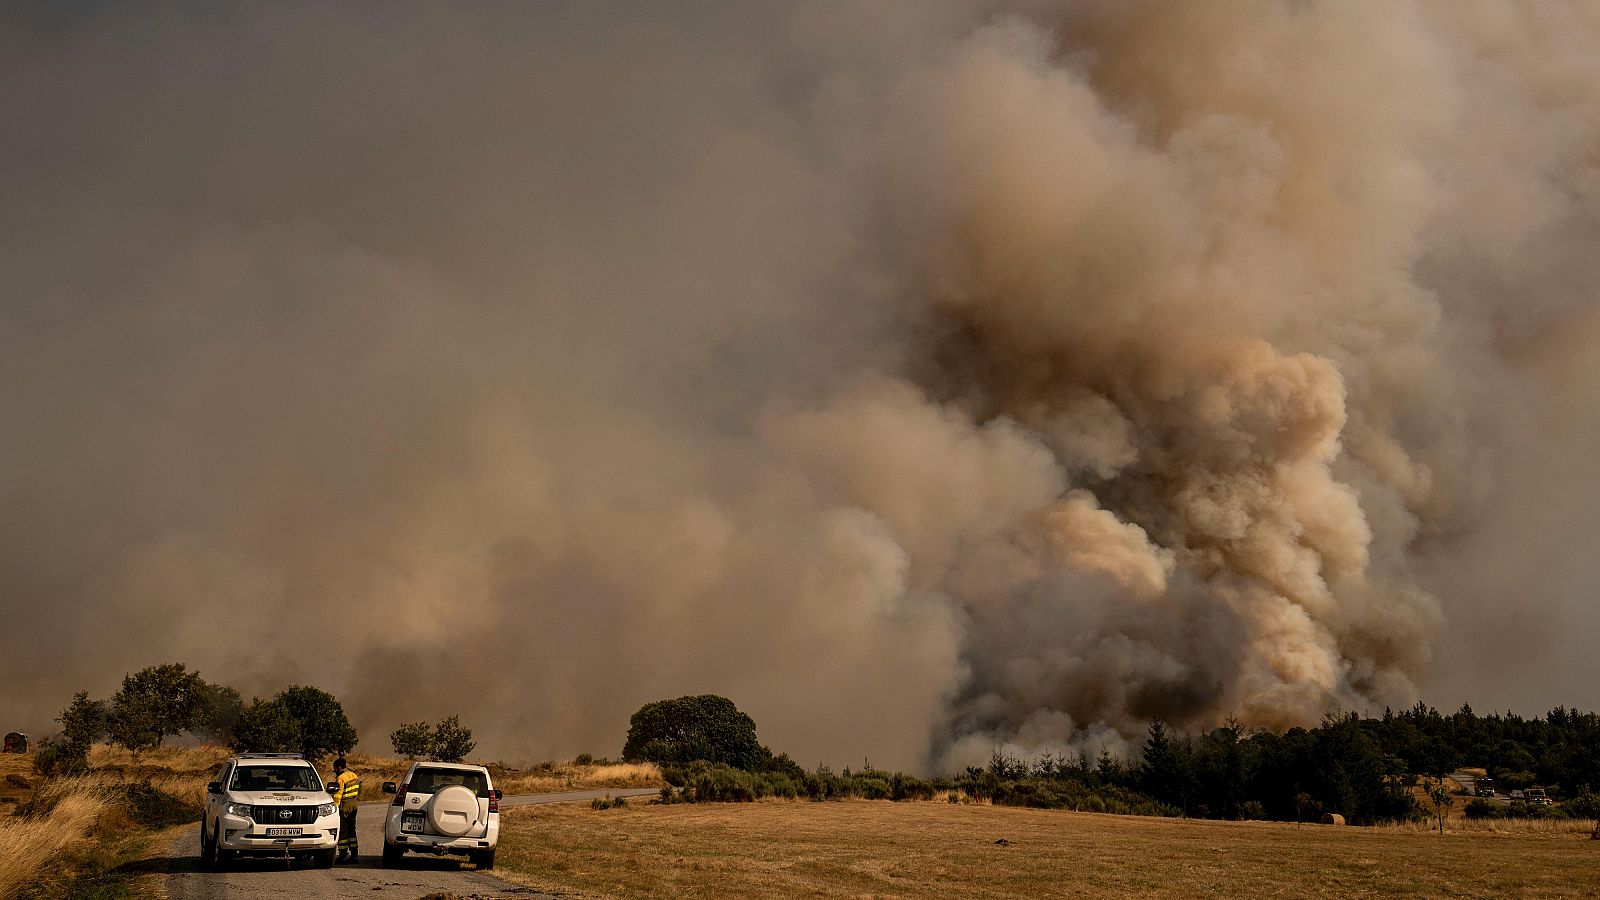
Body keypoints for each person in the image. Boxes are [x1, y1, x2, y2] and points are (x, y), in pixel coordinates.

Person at [331, 757, 362, 863]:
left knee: (343, 831)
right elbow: (359, 790)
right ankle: (354, 855)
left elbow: (337, 795)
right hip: (354, 803)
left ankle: (343, 855)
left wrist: (334, 808)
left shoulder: (341, 778)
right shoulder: (354, 775)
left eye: (334, 768)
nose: (334, 771)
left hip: (345, 805)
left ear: (339, 767)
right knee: (352, 830)